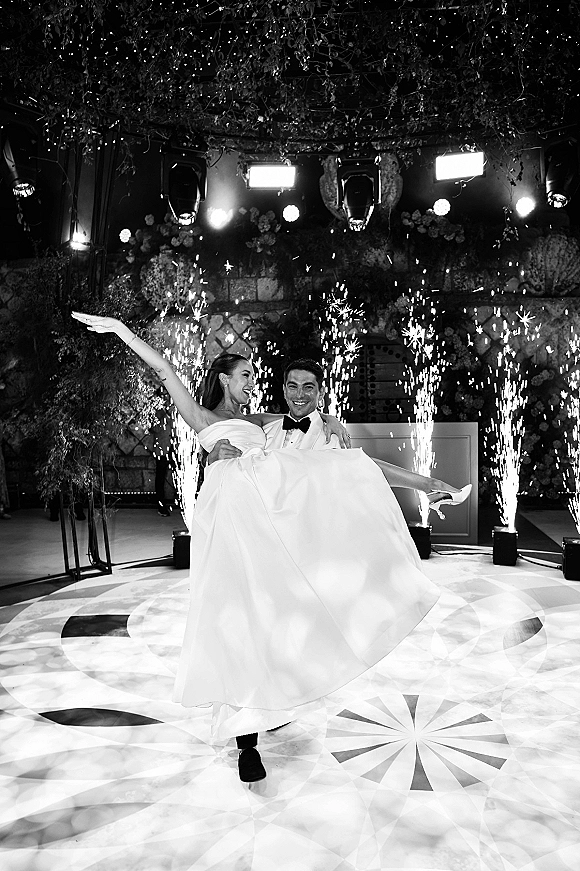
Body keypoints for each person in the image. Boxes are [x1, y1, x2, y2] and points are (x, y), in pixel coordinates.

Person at [71, 312, 469, 786]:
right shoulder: (204, 418)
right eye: (246, 376)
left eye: (256, 377)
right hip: (230, 532)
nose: (253, 383)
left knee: (268, 625)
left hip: (271, 529)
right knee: (238, 628)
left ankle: (271, 700)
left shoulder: (260, 421)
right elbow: (164, 372)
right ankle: (246, 745)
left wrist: (346, 428)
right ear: (223, 378)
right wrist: (122, 331)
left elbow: (345, 460)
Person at [207, 357, 471, 515]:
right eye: (293, 387)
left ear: (321, 394)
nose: (300, 395)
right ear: (284, 392)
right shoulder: (264, 426)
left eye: (309, 388)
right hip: (261, 522)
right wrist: (211, 458)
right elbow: (230, 437)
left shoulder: (331, 434)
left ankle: (430, 485)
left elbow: (357, 473)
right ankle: (429, 485)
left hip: (307, 525)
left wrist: (327, 419)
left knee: (354, 463)